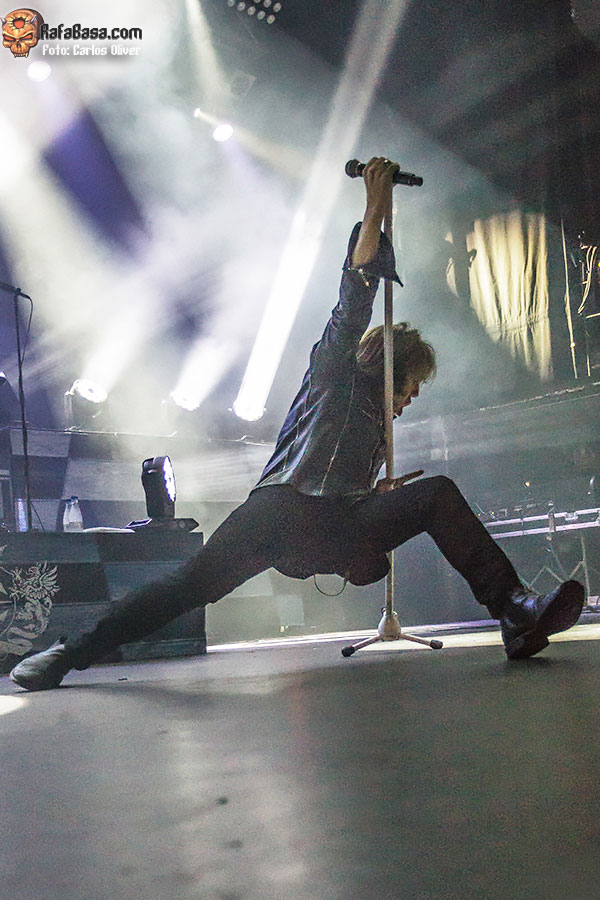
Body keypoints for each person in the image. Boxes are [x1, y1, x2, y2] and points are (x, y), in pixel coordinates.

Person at [10, 157, 584, 691]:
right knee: (186, 588)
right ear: (390, 367)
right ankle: (70, 652)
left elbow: (348, 500)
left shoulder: (377, 429)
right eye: (411, 386)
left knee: (436, 495)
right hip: (279, 514)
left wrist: (374, 495)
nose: (411, 400)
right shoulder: (334, 374)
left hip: (333, 528)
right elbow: (354, 294)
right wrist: (376, 205)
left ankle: (515, 612)